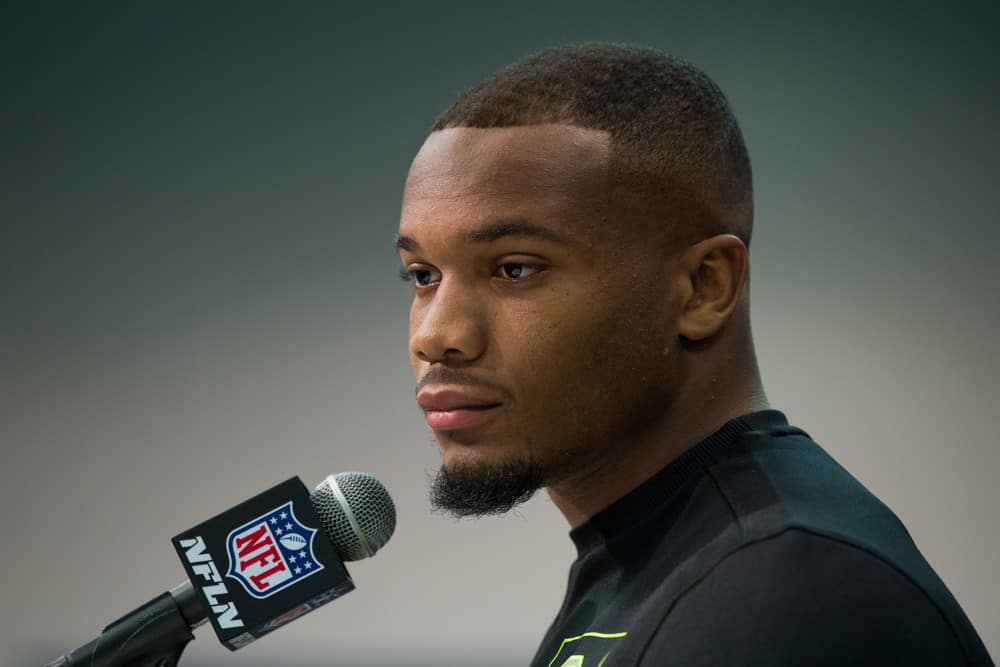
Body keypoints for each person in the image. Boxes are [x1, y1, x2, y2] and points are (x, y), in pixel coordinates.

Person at [395, 43, 992, 666]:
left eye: (515, 269)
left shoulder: (780, 586)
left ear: (705, 287)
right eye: (423, 274)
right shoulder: (664, 559)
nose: (435, 335)